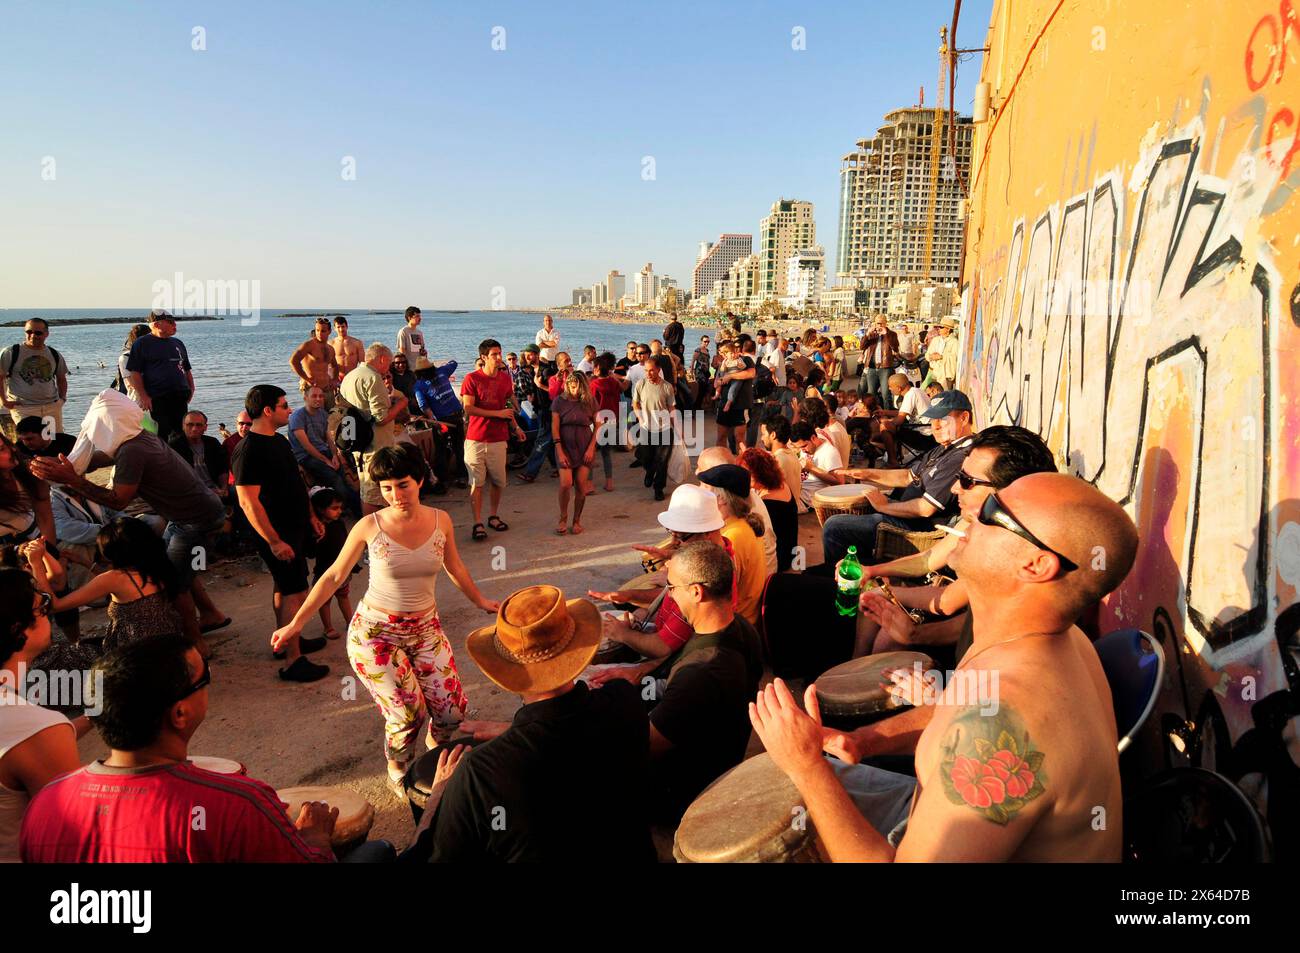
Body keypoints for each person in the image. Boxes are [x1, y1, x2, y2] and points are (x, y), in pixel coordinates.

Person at [750, 473, 1137, 862]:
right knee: (767, 801)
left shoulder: (1010, 719)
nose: (969, 510)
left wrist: (808, 768)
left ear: (1035, 565)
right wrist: (867, 740)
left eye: (992, 511)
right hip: (927, 810)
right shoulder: (1046, 640)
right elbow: (961, 713)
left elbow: (988, 733)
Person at [272, 444, 498, 786]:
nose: (395, 494)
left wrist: (482, 601)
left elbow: (455, 567)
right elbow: (332, 576)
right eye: (386, 487)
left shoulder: (442, 521)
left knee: (451, 712)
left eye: (403, 484)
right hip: (375, 634)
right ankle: (399, 769)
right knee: (407, 714)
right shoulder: (368, 526)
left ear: (420, 480)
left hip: (425, 629)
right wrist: (295, 623)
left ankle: (435, 755)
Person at [20, 635, 342, 862]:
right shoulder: (238, 805)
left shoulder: (44, 805)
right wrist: (314, 839)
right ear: (180, 713)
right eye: (206, 677)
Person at [409, 585, 654, 862]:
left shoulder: (479, 773)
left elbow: (427, 857)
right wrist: (512, 733)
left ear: (506, 671)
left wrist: (437, 800)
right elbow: (571, 745)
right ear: (578, 651)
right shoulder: (624, 700)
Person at [29, 410, 230, 651]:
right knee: (173, 568)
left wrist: (72, 479)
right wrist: (73, 465)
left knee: (175, 583)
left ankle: (195, 644)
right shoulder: (139, 437)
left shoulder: (132, 451)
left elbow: (117, 501)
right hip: (194, 514)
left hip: (193, 519)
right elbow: (101, 460)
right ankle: (210, 614)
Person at [646, 540, 761, 821]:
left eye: (672, 588)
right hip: (721, 759)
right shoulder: (744, 629)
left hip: (684, 791)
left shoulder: (701, 671)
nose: (669, 596)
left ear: (696, 592)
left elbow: (647, 745)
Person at [232, 385, 329, 683]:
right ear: (267, 410)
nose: (289, 410)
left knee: (285, 586)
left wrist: (311, 515)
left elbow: (295, 481)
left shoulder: (278, 440)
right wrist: (274, 541)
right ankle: (292, 661)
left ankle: (287, 640)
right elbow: (248, 501)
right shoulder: (248, 450)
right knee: (295, 591)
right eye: (284, 405)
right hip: (277, 533)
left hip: (294, 526)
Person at [820, 389, 977, 568]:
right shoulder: (944, 447)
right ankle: (854, 571)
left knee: (835, 526)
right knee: (854, 516)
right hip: (904, 515)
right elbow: (907, 476)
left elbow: (926, 509)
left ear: (964, 418)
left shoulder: (961, 456)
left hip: (914, 527)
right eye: (933, 420)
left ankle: (838, 584)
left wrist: (885, 506)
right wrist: (867, 474)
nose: (935, 426)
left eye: (942, 419)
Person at [0, 568, 85, 862]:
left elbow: (25, 744)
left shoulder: (29, 722)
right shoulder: (35, 726)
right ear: (18, 630)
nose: (48, 614)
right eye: (42, 608)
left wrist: (96, 716)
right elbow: (72, 838)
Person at [28, 518, 182, 652]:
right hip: (170, 642)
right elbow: (119, 584)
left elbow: (55, 605)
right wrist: (84, 562)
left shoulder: (113, 579)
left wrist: (37, 565)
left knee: (64, 656)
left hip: (134, 650)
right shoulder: (159, 566)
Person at [460, 339, 525, 541]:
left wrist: (516, 426)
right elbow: (468, 408)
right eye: (494, 354)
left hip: (499, 438)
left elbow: (508, 403)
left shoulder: (505, 379)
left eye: (500, 353)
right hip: (476, 439)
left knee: (499, 481)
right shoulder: (471, 378)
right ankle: (477, 522)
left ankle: (493, 516)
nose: (499, 358)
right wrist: (498, 414)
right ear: (484, 357)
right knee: (476, 483)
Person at [339, 343, 408, 514]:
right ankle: (375, 532)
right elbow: (381, 418)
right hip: (376, 442)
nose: (388, 368)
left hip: (358, 439)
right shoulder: (373, 378)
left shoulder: (350, 376)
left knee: (367, 486)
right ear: (382, 359)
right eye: (389, 363)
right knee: (375, 490)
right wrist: (401, 404)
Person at [695, 464, 768, 625]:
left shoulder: (731, 537)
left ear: (721, 499)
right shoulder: (743, 524)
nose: (699, 493)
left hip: (737, 626)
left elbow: (712, 599)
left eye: (705, 488)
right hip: (747, 619)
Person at [125, 310, 193, 446]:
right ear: (156, 325)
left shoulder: (177, 343)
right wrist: (143, 396)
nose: (175, 325)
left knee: (181, 433)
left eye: (174, 322)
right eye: (170, 322)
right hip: (158, 397)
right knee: (163, 434)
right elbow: (135, 372)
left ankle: (180, 463)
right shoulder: (142, 344)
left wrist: (191, 388)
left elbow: (186, 368)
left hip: (180, 396)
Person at [290, 386, 360, 516]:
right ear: (305, 398)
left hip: (324, 452)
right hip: (306, 456)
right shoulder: (297, 416)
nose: (318, 399)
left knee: (343, 476)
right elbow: (306, 446)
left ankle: (346, 506)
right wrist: (326, 461)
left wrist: (334, 455)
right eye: (314, 396)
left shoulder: (322, 414)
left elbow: (328, 438)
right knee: (336, 479)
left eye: (321, 396)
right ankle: (357, 510)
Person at [0, 318, 68, 436]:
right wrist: (4, 401)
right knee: (29, 443)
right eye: (29, 332)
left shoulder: (54, 354)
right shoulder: (10, 353)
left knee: (53, 442)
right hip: (24, 408)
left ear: (46, 334)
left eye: (38, 333)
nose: (33, 335)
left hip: (51, 407)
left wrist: (62, 399)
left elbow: (61, 378)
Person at [305, 488, 355, 641]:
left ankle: (351, 623)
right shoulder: (316, 529)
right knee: (324, 601)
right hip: (324, 572)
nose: (339, 511)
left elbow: (347, 545)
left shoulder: (338, 524)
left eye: (340, 507)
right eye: (334, 508)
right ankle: (328, 628)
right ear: (320, 508)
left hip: (342, 571)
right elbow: (310, 552)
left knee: (343, 596)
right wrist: (314, 539)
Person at [551, 371, 597, 535]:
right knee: (565, 483)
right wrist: (559, 450)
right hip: (564, 447)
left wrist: (592, 448)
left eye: (577, 386)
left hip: (585, 446)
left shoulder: (589, 402)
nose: (574, 389)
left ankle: (576, 520)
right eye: (571, 385)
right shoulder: (559, 402)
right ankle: (563, 517)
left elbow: (598, 426)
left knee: (580, 485)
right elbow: (555, 428)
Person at [739, 447, 797, 573]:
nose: (744, 477)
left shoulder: (767, 503)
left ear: (760, 474)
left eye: (748, 474)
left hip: (781, 559)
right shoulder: (781, 484)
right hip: (791, 552)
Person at [413, 360, 467, 488]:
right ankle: (456, 477)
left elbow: (423, 406)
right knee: (455, 447)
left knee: (446, 449)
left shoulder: (420, 384)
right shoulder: (441, 371)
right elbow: (454, 363)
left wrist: (433, 420)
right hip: (448, 418)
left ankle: (447, 478)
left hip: (446, 419)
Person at [632, 353, 675, 502]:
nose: (648, 373)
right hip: (646, 429)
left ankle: (658, 488)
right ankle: (649, 471)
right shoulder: (640, 385)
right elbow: (635, 403)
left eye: (651, 370)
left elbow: (671, 409)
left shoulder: (667, 387)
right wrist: (639, 417)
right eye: (646, 370)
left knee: (663, 460)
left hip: (664, 429)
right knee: (646, 457)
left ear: (658, 370)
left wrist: (677, 429)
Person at [0, 434, 56, 546]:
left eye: (6, 444)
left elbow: (44, 517)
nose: (13, 449)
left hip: (37, 539)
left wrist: (51, 551)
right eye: (1, 450)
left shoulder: (29, 473)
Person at [168, 411, 229, 497]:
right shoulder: (174, 446)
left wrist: (224, 488)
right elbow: (174, 477)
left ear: (205, 427)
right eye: (190, 425)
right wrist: (206, 491)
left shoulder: (212, 443)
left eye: (199, 425)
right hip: (190, 492)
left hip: (215, 488)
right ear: (183, 426)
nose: (194, 429)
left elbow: (222, 468)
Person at [790, 420, 844, 508]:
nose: (803, 450)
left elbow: (840, 482)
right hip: (798, 493)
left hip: (808, 500)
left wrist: (811, 468)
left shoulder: (829, 451)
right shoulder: (806, 447)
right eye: (799, 447)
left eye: (804, 446)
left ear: (813, 438)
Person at [589, 353, 622, 493]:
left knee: (590, 453)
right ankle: (609, 482)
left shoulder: (594, 384)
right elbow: (622, 390)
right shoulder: (614, 382)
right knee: (606, 453)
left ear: (597, 368)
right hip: (612, 420)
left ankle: (589, 484)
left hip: (598, 422)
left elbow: (591, 404)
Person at [761, 412, 806, 514]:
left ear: (773, 435)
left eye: (763, 434)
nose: (761, 438)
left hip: (782, 513)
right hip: (791, 510)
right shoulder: (791, 454)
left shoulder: (777, 460)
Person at [289, 319, 340, 405]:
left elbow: (335, 366)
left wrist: (334, 380)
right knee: (314, 417)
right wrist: (306, 378)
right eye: (317, 330)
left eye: (323, 331)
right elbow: (293, 361)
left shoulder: (330, 349)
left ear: (329, 331)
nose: (319, 333)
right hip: (312, 388)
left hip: (327, 389)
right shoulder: (308, 345)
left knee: (330, 416)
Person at [859, 315, 900, 410]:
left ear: (886, 323)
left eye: (882, 323)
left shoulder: (892, 334)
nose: (880, 325)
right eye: (878, 323)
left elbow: (895, 347)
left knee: (886, 394)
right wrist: (867, 335)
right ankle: (871, 413)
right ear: (875, 324)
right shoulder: (872, 335)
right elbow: (862, 346)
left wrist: (886, 334)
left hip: (885, 367)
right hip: (872, 367)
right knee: (871, 393)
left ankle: (887, 414)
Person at [113, 323, 152, 404]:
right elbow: (133, 384)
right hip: (138, 403)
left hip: (157, 402)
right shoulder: (126, 358)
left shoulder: (154, 355)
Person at [331, 315, 365, 382]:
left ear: (347, 327)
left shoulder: (357, 343)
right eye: (338, 327)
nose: (341, 329)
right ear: (334, 328)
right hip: (337, 377)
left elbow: (362, 363)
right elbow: (327, 364)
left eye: (343, 326)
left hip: (352, 376)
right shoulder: (331, 344)